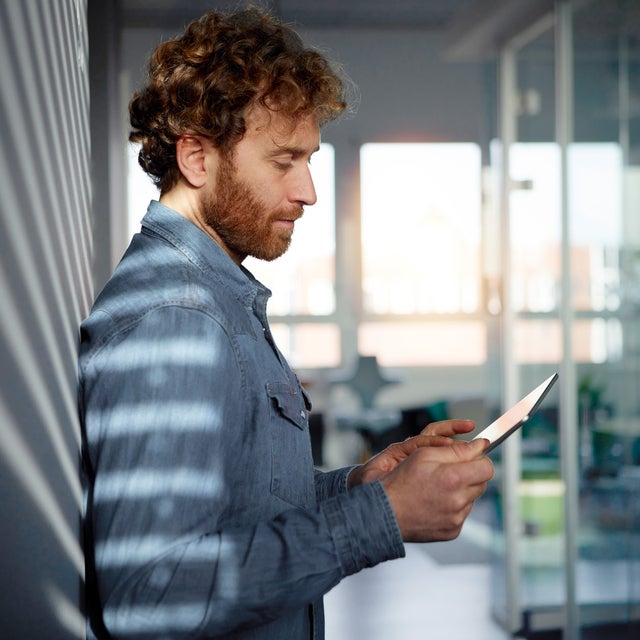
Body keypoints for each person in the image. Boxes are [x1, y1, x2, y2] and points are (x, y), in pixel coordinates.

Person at [78, 7, 494, 640]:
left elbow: (236, 511)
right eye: (282, 162)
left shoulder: (214, 298)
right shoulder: (175, 320)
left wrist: (362, 486)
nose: (308, 192)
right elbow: (151, 595)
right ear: (197, 157)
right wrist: (383, 517)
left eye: (310, 161)